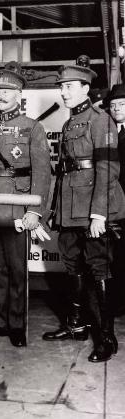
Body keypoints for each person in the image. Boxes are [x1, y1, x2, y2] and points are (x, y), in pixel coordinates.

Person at [42, 56, 125, 363]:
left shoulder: (101, 119)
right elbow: (66, 171)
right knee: (72, 266)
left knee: (98, 268)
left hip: (92, 209)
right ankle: (76, 326)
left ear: (85, 88)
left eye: (69, 87)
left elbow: (106, 169)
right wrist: (56, 209)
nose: (63, 92)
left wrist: (100, 214)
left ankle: (107, 337)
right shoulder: (69, 122)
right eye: (61, 87)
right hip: (69, 209)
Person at [0, 61, 51, 347]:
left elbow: (43, 173)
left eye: (7, 90)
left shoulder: (33, 128)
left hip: (18, 206)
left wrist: (34, 211)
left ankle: (17, 325)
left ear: (20, 95)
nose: (0, 95)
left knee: (18, 269)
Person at [105, 83, 125, 315]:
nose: (117, 109)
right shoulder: (106, 132)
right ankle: (117, 301)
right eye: (113, 105)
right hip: (113, 201)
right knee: (115, 255)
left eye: (121, 104)